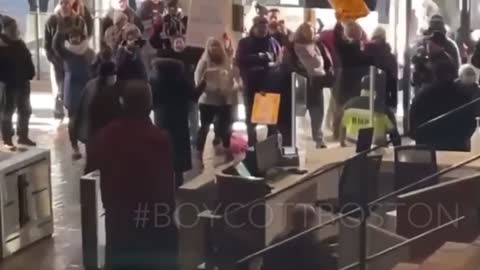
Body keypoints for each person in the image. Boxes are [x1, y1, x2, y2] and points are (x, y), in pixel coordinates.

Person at [87, 80, 178, 270]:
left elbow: (90, 168)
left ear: (122, 103)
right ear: (149, 104)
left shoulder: (104, 135)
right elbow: (165, 186)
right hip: (151, 220)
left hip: (117, 217)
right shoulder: (159, 139)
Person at [410, 53, 476, 151]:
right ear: (455, 74)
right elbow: (471, 124)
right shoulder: (464, 94)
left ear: (434, 74)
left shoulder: (422, 95)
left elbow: (413, 129)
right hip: (457, 151)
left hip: (426, 152)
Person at [236, 16, 281, 146]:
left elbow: (279, 61)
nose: (262, 30)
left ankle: (270, 146)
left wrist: (272, 64)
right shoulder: (244, 42)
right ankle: (252, 146)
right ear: (254, 27)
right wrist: (259, 57)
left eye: (265, 27)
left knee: (270, 121)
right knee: (251, 120)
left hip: (269, 84)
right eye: (260, 27)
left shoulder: (273, 42)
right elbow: (240, 60)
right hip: (251, 84)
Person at [150, 58, 193, 187]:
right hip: (180, 118)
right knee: (179, 147)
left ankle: (164, 177)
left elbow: (152, 102)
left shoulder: (154, 81)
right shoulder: (182, 81)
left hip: (162, 118)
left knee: (163, 147)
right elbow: (193, 96)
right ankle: (178, 178)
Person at [53, 26, 95, 159]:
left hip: (87, 86)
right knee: (73, 120)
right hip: (71, 89)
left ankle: (89, 145)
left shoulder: (89, 52)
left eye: (76, 36)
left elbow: (94, 68)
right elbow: (55, 46)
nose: (74, 39)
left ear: (81, 37)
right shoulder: (66, 52)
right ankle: (74, 147)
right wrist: (59, 31)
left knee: (89, 118)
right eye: (71, 37)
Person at [194, 37, 235, 164]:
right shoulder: (203, 63)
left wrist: (228, 89)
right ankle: (198, 153)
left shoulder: (226, 61)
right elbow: (198, 81)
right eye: (211, 46)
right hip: (207, 101)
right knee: (205, 127)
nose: (214, 48)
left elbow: (231, 78)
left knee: (225, 127)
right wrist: (211, 89)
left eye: (216, 45)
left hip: (224, 100)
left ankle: (227, 150)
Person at [45, 0, 87, 120]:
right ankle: (59, 112)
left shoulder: (79, 21)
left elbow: (84, 41)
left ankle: (75, 112)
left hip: (75, 61)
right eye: (62, 3)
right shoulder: (52, 21)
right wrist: (54, 60)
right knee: (59, 88)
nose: (64, 6)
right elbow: (47, 44)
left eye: (67, 3)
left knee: (74, 88)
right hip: (57, 61)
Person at [262, 204, 337, 270]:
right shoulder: (310, 243)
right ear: (310, 221)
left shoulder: (277, 240)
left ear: (292, 220)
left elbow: (266, 264)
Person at [0, 17, 36, 149]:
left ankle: (23, 136)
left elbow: (27, 57)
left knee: (25, 110)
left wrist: (31, 72)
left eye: (15, 26)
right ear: (5, 29)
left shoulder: (20, 43)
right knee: (7, 113)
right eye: (12, 27)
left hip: (23, 83)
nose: (15, 29)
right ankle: (7, 139)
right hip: (8, 85)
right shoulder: (2, 46)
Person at [332, 21, 372, 140]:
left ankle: (338, 136)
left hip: (343, 85)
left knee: (340, 112)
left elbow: (336, 40)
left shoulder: (344, 50)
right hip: (358, 87)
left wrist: (339, 21)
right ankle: (353, 135)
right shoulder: (365, 54)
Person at [293, 23, 328, 148]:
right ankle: (296, 141)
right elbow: (291, 63)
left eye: (312, 30)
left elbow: (325, 61)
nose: (310, 32)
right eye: (307, 30)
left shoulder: (317, 45)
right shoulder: (294, 47)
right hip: (301, 82)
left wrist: (326, 74)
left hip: (317, 82)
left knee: (318, 112)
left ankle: (318, 139)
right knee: (298, 114)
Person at [339, 76, 398, 147]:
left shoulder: (348, 105)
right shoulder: (383, 109)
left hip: (350, 151)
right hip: (376, 151)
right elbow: (393, 133)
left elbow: (342, 128)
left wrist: (342, 145)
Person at [364, 26, 398, 110]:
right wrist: (394, 100)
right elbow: (393, 77)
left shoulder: (365, 52)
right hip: (383, 95)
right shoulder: (389, 56)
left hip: (365, 94)